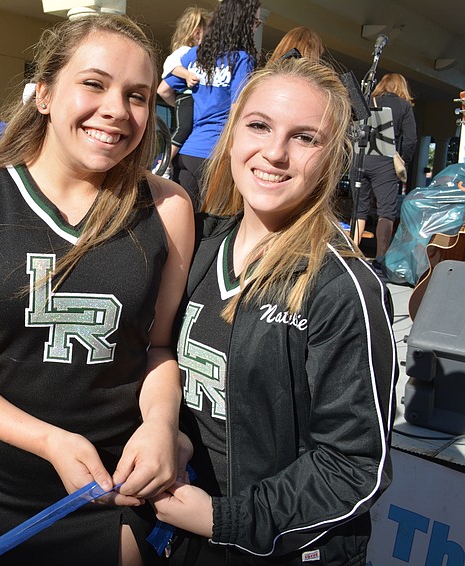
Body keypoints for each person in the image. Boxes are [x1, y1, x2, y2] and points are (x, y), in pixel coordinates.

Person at [0, 14, 194, 565]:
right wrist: (48, 440)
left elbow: (158, 347)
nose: (116, 109)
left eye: (136, 95)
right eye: (94, 83)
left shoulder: (168, 207)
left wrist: (161, 425)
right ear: (43, 94)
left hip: (114, 492)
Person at [150, 57, 397, 564]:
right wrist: (167, 432)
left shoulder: (342, 288)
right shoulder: (198, 246)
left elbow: (354, 466)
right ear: (231, 135)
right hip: (185, 535)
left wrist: (225, 519)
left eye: (305, 137)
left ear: (333, 158)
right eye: (259, 126)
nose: (276, 153)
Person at [158, 0, 260, 209]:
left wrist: (188, 111)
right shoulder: (242, 59)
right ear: (243, 23)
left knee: (183, 219)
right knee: (212, 223)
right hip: (216, 156)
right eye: (255, 22)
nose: (256, 28)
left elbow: (163, 90)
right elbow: (238, 110)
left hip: (186, 153)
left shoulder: (195, 55)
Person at [353, 73, 417, 272]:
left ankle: (351, 254)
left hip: (360, 158)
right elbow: (411, 140)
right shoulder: (403, 106)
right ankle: (381, 258)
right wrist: (404, 160)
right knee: (386, 212)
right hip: (385, 162)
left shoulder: (365, 101)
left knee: (359, 210)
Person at [158, 6, 211, 168]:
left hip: (186, 99)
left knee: (186, 129)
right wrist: (187, 75)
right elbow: (170, 66)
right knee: (183, 129)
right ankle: (164, 161)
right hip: (185, 96)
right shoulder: (186, 51)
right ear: (197, 33)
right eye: (208, 32)